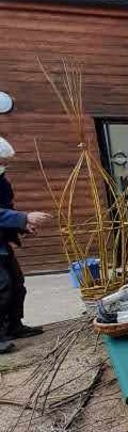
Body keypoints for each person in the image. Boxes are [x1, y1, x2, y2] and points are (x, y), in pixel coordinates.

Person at [0, 137, 51, 352]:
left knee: (16, 283)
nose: (4, 166)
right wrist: (23, 218)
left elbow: (6, 209)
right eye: (2, 161)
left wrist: (22, 226)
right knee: (1, 286)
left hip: (2, 243)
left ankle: (14, 325)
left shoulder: (2, 181)